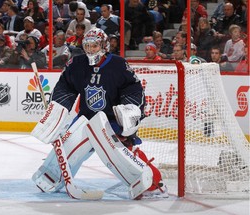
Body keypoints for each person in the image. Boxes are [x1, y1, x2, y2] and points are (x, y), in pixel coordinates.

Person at [31, 28, 168, 199]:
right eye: (87, 46)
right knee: (70, 140)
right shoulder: (77, 64)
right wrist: (57, 111)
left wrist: (130, 109)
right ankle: (51, 176)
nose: (90, 50)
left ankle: (152, 182)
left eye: (94, 46)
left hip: (113, 120)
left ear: (103, 46)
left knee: (120, 149)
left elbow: (133, 88)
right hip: (87, 118)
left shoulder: (118, 64)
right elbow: (65, 87)